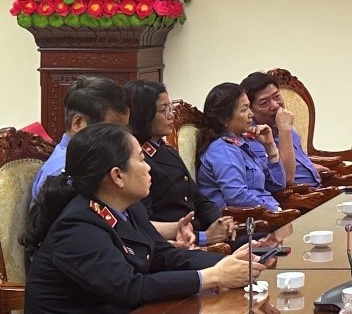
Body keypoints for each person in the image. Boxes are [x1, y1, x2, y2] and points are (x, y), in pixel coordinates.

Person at [20, 123, 265, 313]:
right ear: (117, 176)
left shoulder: (129, 207)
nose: (148, 167)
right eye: (140, 159)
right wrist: (212, 276)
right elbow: (130, 287)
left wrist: (229, 262)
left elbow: (164, 256)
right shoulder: (77, 227)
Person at [125, 80, 235, 248]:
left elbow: (198, 199)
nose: (171, 115)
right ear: (143, 114)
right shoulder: (138, 161)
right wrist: (203, 237)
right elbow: (143, 224)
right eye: (163, 110)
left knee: (259, 245)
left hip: (201, 233)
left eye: (170, 108)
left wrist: (220, 222)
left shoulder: (166, 150)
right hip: (175, 244)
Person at [31, 76, 130, 201]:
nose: (122, 138)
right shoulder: (62, 174)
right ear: (78, 123)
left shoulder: (96, 159)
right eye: (110, 130)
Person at [196, 83, 285, 211]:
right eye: (244, 109)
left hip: (264, 211)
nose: (251, 114)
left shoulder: (241, 143)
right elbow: (237, 196)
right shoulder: (223, 150)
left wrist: (270, 147)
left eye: (249, 107)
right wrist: (273, 210)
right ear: (224, 119)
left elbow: (277, 185)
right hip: (246, 218)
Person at [240, 72, 322, 187]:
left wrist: (311, 168)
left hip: (318, 187)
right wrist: (284, 130)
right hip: (296, 194)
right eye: (265, 103)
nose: (275, 105)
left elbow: (298, 160)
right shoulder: (253, 137)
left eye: (277, 97)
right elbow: (286, 179)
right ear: (251, 109)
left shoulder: (283, 122)